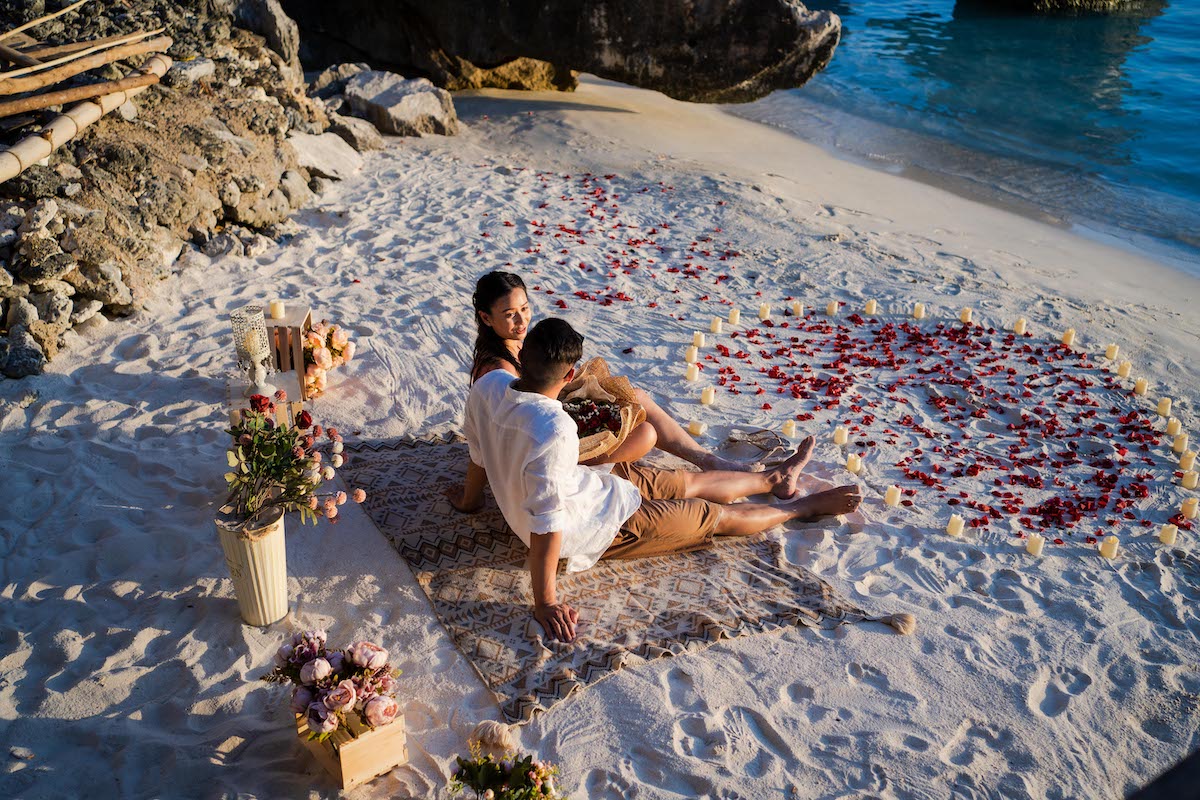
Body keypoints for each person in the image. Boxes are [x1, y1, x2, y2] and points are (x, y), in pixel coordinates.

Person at [462, 318, 863, 643]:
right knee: (709, 515)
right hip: (593, 528)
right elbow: (548, 524)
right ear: (570, 375)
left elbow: (477, 452)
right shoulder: (552, 426)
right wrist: (546, 601)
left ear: (523, 358)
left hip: (589, 486)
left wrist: (468, 502)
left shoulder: (489, 386)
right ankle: (802, 507)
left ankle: (775, 478)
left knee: (682, 482)